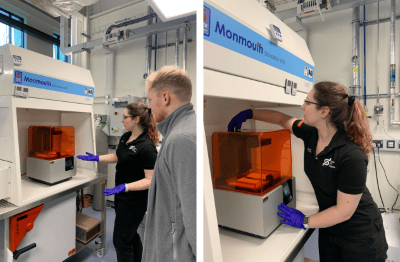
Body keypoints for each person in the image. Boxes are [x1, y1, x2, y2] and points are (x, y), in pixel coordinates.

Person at [228, 81, 388, 262]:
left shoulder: (351, 155)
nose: (302, 106)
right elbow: (281, 119)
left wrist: (304, 221)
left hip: (360, 236)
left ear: (324, 111)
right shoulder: (310, 134)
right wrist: (249, 113)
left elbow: (344, 211)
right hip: (329, 229)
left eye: (307, 102)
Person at [78, 102, 158, 262]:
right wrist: (97, 158)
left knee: (121, 240)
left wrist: (125, 187)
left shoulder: (147, 147)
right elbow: (118, 156)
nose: (121, 120)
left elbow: (150, 180)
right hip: (121, 197)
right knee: (130, 235)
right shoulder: (126, 137)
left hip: (135, 201)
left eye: (125, 117)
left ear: (136, 119)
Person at [141, 66, 197, 262]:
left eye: (150, 100)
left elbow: (195, 220)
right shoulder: (182, 129)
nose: (149, 107)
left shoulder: (181, 139)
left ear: (165, 97)